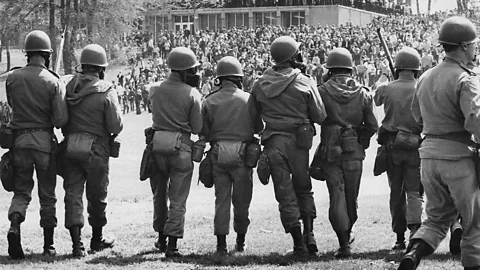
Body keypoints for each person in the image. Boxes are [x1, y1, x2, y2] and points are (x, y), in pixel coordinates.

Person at [399, 16, 480, 270]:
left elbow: (417, 117)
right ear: (465, 45)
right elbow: (474, 120)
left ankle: (413, 254)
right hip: (458, 157)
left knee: (435, 218)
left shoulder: (425, 77)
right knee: (474, 221)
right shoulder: (466, 78)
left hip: (429, 156)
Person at [251, 36, 326, 257]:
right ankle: (310, 235)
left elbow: (254, 120)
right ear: (293, 57)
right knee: (304, 188)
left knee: (284, 193)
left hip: (273, 142)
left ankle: (298, 243)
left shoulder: (259, 83)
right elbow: (320, 115)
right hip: (299, 143)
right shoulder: (305, 81)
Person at [5, 30, 68, 259]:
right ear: (46, 55)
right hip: (43, 143)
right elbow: (60, 120)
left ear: (28, 53)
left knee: (21, 192)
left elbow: (11, 105)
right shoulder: (53, 81)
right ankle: (49, 245)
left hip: (19, 142)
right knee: (47, 195)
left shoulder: (12, 78)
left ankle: (14, 226)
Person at [315, 47, 378, 258]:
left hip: (330, 150)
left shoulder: (321, 91)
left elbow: (317, 117)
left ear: (330, 69)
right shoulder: (364, 92)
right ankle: (347, 237)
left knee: (337, 195)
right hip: (354, 151)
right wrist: (361, 139)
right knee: (352, 197)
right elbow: (372, 125)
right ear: (350, 68)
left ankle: (343, 243)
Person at [62, 44, 123, 257]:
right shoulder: (106, 90)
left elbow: (61, 119)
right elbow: (115, 126)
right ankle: (97, 240)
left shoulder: (68, 87)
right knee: (97, 195)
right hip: (96, 149)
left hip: (71, 146)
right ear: (101, 68)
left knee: (72, 194)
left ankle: (77, 245)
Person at [200, 56, 263, 255]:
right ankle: (241, 241)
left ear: (219, 78)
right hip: (243, 155)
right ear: (238, 78)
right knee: (242, 201)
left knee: (221, 200)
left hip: (218, 154)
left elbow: (204, 131)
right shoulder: (248, 99)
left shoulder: (209, 100)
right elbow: (259, 127)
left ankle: (221, 245)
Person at [148, 47, 203, 258]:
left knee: (159, 195)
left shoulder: (155, 88)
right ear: (184, 71)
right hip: (181, 148)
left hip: (157, 146)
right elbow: (197, 128)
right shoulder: (192, 93)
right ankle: (172, 245)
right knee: (178, 199)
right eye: (193, 69)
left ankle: (161, 238)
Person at [373, 47, 423, 251]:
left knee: (396, 192)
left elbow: (376, 98)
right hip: (415, 145)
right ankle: (415, 231)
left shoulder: (387, 88)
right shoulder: (421, 87)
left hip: (393, 145)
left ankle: (399, 236)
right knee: (414, 192)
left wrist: (385, 76)